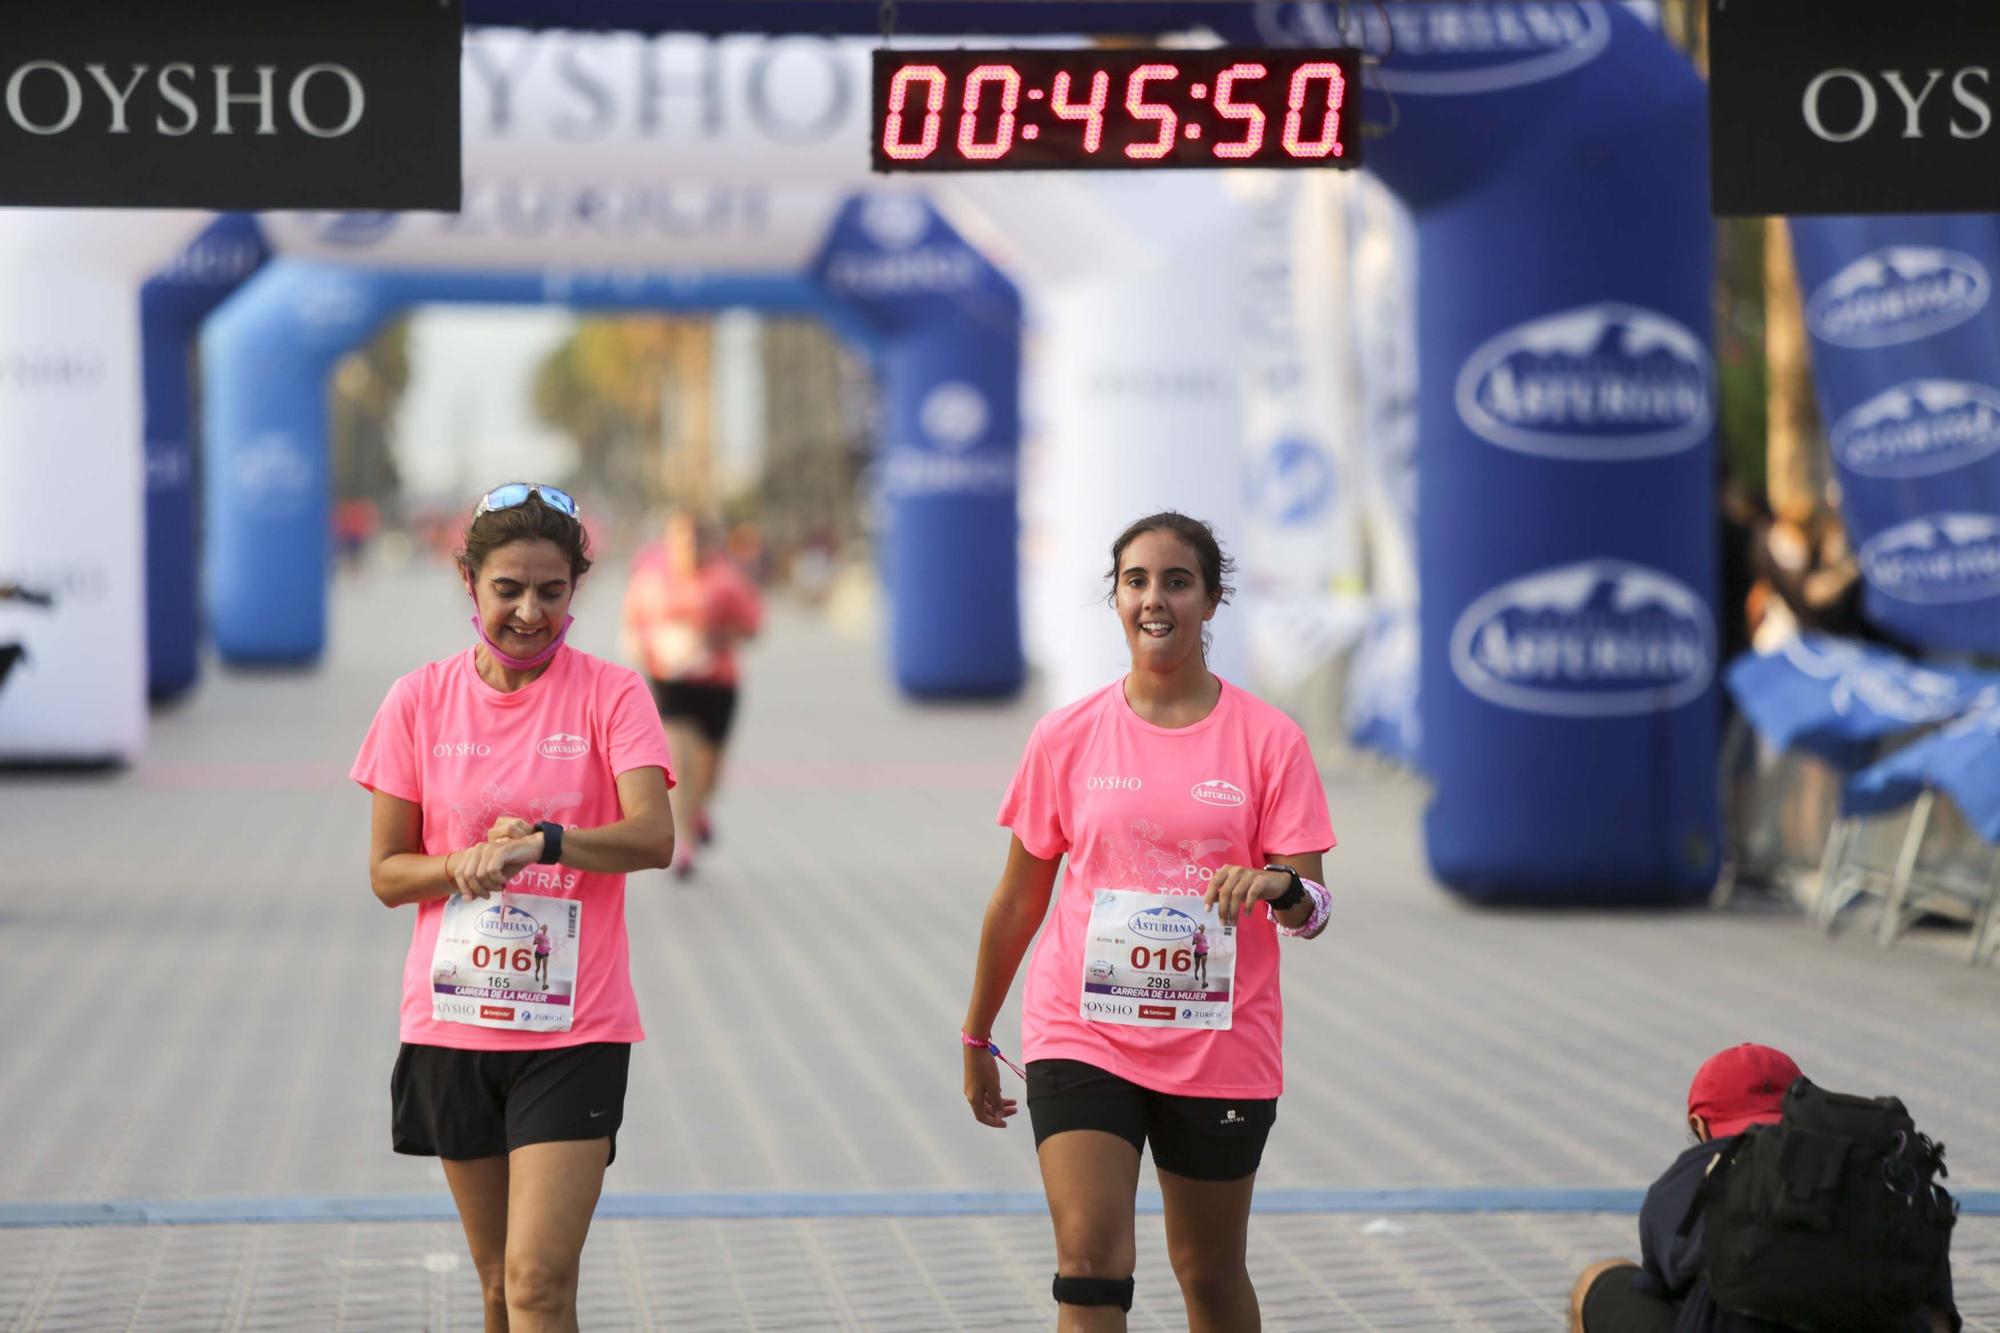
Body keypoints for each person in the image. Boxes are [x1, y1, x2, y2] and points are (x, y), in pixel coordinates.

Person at [961, 511, 1336, 1332]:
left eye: (1177, 580)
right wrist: (977, 1032)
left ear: (1212, 600)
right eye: (1136, 580)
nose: (1154, 598)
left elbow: (1313, 908)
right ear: (1116, 598)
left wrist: (1277, 886)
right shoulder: (1065, 735)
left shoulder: (1269, 741)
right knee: (1090, 1263)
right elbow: (1018, 901)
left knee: (1208, 1272)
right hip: (1082, 1028)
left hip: (1218, 1042)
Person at [352, 482, 676, 1333]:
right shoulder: (416, 700)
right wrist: (458, 864)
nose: (531, 611)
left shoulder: (613, 694)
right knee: (497, 1287)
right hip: (454, 1025)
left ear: (578, 586)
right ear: (469, 581)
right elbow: (388, 872)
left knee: (537, 1283)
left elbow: (653, 837)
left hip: (576, 1029)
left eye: (553, 590)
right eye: (509, 589)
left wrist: (548, 842)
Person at [1570, 1042, 1959, 1333]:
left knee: (1600, 1279)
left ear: (1699, 1125)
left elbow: (1661, 1283)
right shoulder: (1874, 1170)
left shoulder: (1689, 1177)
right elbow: (1939, 1317)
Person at [621, 510, 762, 878]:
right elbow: (634, 622)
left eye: (695, 540)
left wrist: (715, 640)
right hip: (670, 682)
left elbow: (752, 627)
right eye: (679, 539)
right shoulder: (651, 579)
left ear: (708, 543)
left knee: (709, 773)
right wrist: (648, 647)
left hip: (718, 683)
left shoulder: (727, 581)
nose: (687, 547)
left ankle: (697, 812)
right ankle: (685, 843)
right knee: (679, 762)